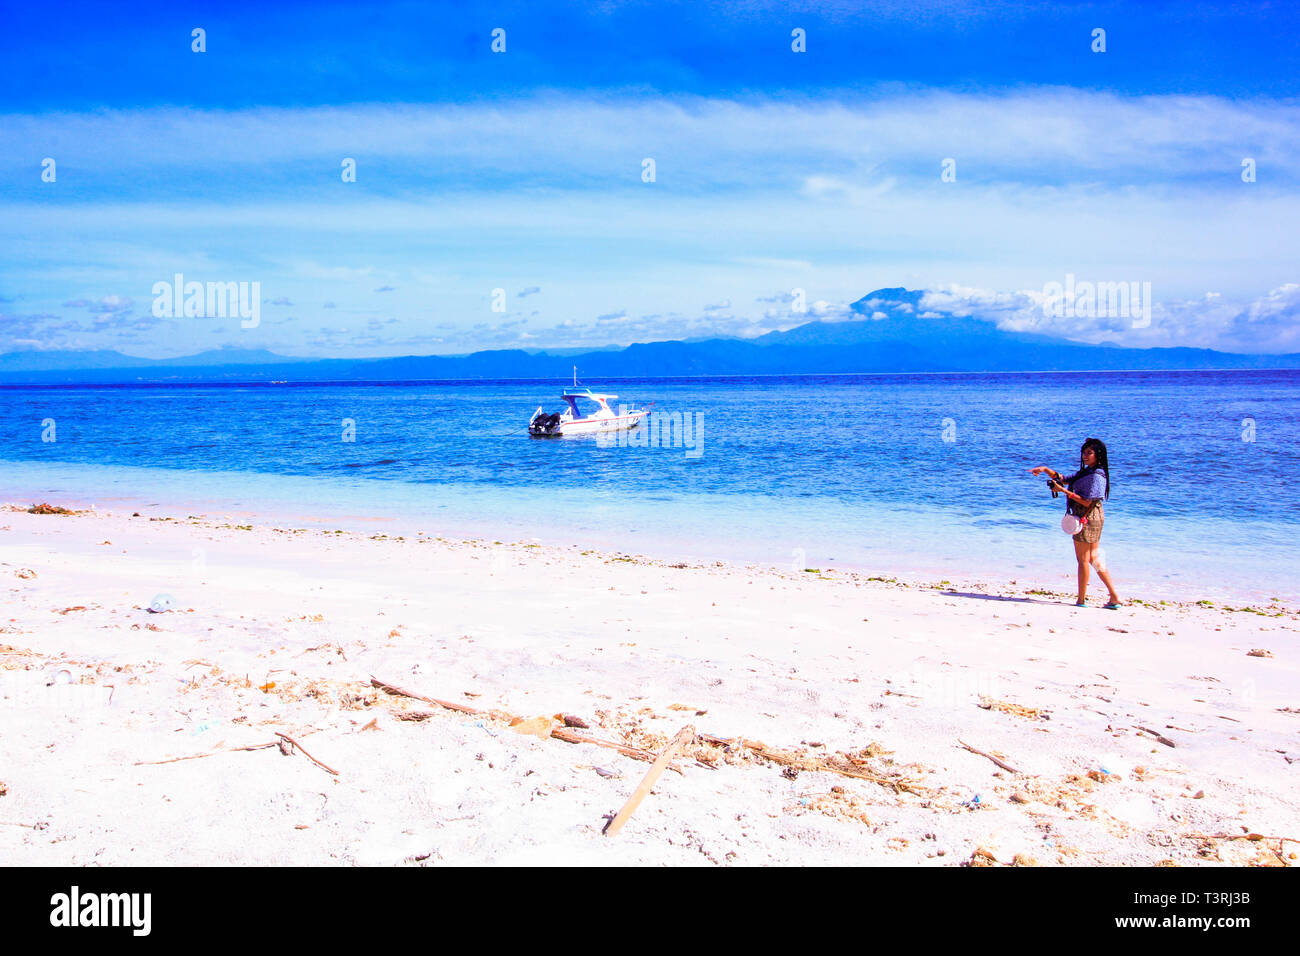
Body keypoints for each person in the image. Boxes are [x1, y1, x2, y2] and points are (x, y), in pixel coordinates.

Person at [1030, 438, 1122, 609]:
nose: (1085, 456)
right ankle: (1114, 596)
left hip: (1088, 517)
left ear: (1098, 455)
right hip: (1092, 516)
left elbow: (1087, 501)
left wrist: (1063, 491)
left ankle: (1081, 600)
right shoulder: (1088, 472)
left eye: (1089, 453)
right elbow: (1064, 478)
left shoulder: (1097, 476)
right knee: (1094, 557)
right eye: (1084, 452)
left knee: (1083, 560)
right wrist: (1045, 469)